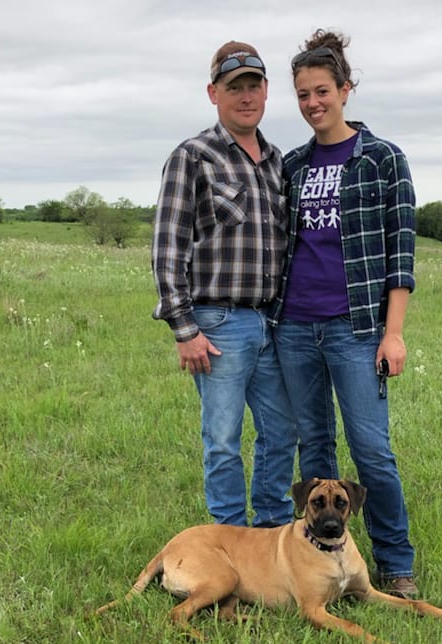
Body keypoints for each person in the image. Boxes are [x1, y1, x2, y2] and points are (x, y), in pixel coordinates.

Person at [269, 29, 418, 598]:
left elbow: (400, 253)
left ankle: (395, 563)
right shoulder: (294, 165)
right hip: (295, 327)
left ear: (346, 89)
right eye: (303, 94)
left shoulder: (383, 159)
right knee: (314, 451)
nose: (313, 103)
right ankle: (320, 565)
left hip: (355, 329)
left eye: (322, 91)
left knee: (372, 452)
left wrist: (392, 333)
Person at [152, 40, 296, 528]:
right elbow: (168, 246)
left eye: (254, 85)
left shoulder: (277, 162)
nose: (246, 96)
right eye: (235, 87)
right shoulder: (193, 156)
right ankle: (228, 536)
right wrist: (184, 329)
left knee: (281, 431)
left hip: (270, 322)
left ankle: (272, 528)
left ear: (267, 90)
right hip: (217, 324)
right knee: (223, 440)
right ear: (214, 93)